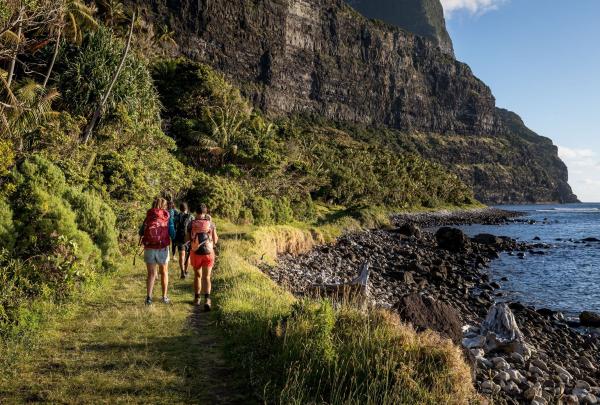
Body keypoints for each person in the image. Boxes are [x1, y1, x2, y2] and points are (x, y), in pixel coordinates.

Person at [140, 197, 175, 305]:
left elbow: (141, 232)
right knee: (164, 272)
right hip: (162, 248)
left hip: (149, 248)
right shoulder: (166, 217)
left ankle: (149, 298)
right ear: (163, 206)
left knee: (151, 274)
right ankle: (164, 297)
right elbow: (172, 234)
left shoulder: (148, 217)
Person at [187, 204, 218, 310]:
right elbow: (215, 240)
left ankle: (197, 299)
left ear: (196, 212)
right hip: (208, 253)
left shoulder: (191, 223)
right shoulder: (211, 224)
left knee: (197, 276)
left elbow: (187, 239)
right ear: (206, 212)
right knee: (207, 277)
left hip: (195, 253)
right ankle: (208, 300)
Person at [173, 202, 194, 279]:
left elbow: (174, 226)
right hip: (188, 239)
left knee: (181, 255)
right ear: (187, 208)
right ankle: (186, 271)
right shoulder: (191, 216)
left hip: (179, 238)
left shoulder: (177, 216)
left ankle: (182, 272)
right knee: (187, 256)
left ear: (180, 208)